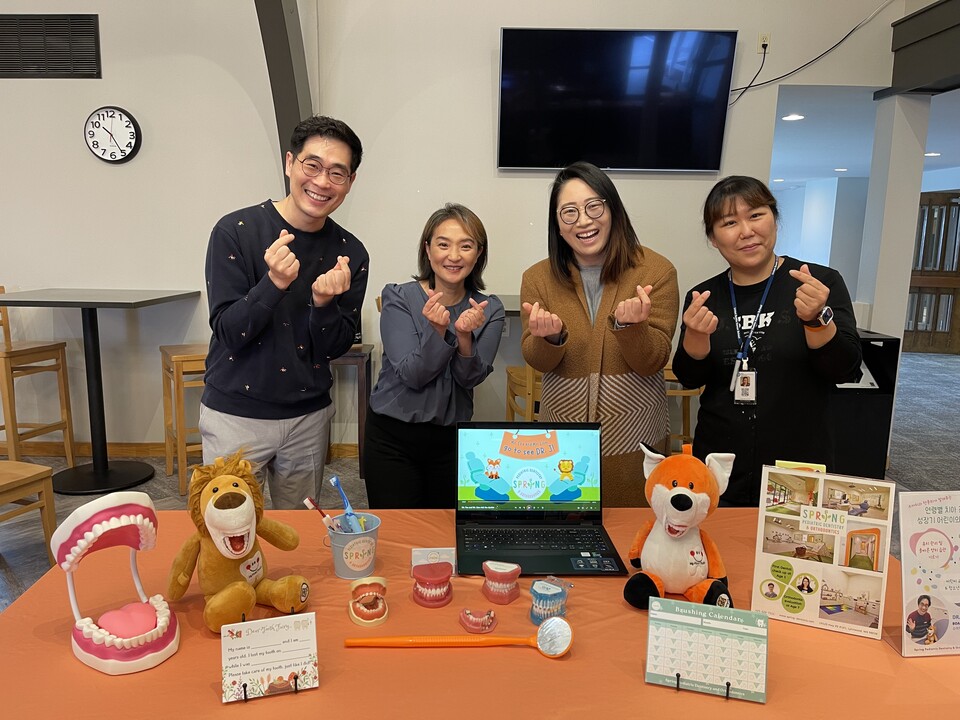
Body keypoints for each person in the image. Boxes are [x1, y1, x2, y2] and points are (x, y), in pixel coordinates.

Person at [200, 115, 369, 509]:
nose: (322, 181)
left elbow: (335, 347)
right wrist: (273, 284)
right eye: (312, 165)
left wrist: (324, 306)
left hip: (307, 418)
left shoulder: (351, 252)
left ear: (350, 182)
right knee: (230, 531)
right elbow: (229, 331)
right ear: (290, 163)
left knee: (300, 535)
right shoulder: (235, 230)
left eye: (337, 172)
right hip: (234, 414)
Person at [671, 176, 862, 507]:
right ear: (713, 238)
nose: (746, 231)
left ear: (774, 218)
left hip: (797, 464)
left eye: (756, 215)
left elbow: (844, 369)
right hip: (719, 463)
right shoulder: (705, 295)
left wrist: (816, 318)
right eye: (729, 222)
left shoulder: (817, 282)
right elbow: (689, 377)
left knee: (791, 553)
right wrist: (697, 336)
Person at [521, 161, 679, 507]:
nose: (584, 221)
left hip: (635, 438)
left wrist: (632, 329)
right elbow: (535, 360)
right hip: (562, 439)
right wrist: (548, 339)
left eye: (594, 206)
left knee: (634, 540)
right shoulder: (537, 277)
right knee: (564, 535)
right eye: (569, 212)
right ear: (557, 226)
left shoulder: (656, 270)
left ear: (613, 210)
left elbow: (653, 361)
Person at [364, 203, 504, 508]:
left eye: (465, 246)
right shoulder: (398, 297)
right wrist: (438, 331)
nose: (453, 256)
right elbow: (412, 375)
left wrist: (464, 336)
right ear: (428, 251)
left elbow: (469, 379)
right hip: (392, 437)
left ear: (478, 253)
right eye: (443, 244)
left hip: (451, 442)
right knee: (399, 535)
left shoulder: (489, 308)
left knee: (444, 535)